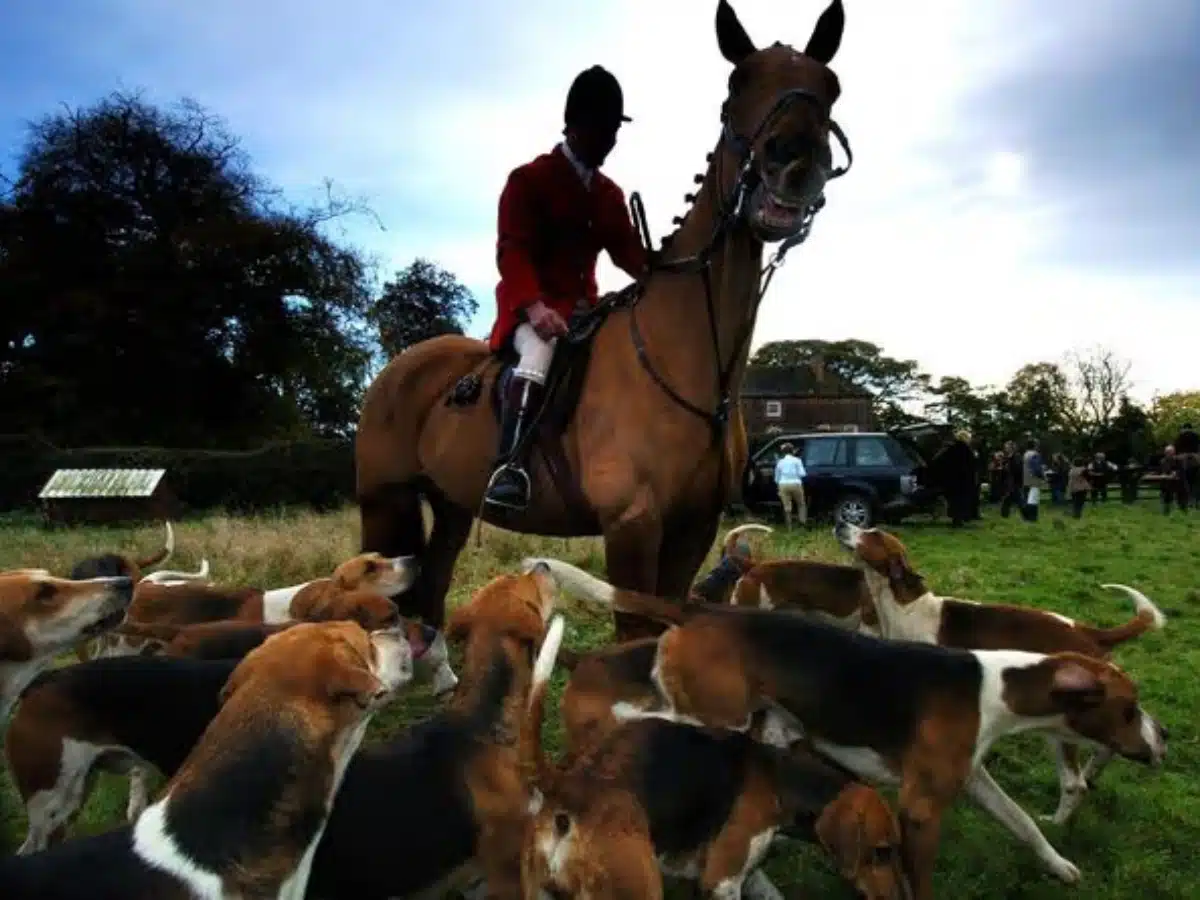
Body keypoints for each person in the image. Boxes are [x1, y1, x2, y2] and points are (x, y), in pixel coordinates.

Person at [483, 65, 649, 510]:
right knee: (538, 355)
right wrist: (535, 309)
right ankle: (510, 466)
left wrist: (667, 275)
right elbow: (511, 253)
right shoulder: (529, 180)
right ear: (575, 126)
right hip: (530, 310)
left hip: (583, 312)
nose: (611, 140)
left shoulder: (609, 194)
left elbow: (629, 254)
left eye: (615, 130)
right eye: (603, 129)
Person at [774, 443, 808, 528]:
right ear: (792, 451)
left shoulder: (780, 462)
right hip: (796, 483)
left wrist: (779, 489)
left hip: (783, 485)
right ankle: (802, 523)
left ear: (783, 452)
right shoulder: (797, 460)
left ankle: (789, 527)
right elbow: (802, 474)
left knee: (787, 507)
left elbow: (777, 478)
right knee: (801, 504)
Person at [1021, 437, 1046, 522]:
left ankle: (1026, 517)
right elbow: (1036, 468)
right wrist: (1043, 476)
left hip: (1026, 479)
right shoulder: (1035, 454)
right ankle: (1032, 518)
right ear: (1035, 445)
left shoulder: (1026, 454)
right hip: (1034, 479)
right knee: (1033, 499)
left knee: (1027, 498)